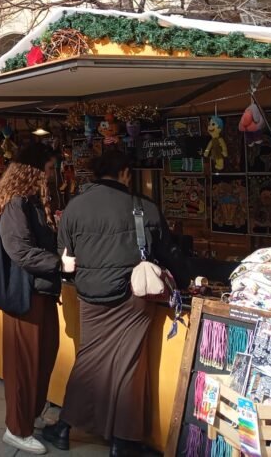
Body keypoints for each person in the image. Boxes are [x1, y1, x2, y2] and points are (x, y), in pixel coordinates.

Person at [45, 151, 190, 457]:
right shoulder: (143, 207)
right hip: (131, 299)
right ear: (124, 173)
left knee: (88, 363)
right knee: (128, 367)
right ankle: (122, 442)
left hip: (89, 297)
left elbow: (64, 254)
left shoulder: (74, 208)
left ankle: (63, 428)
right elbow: (168, 253)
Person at [0, 144, 63, 455]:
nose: (52, 175)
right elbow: (20, 251)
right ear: (35, 171)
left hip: (39, 291)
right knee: (23, 365)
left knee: (43, 356)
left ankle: (31, 414)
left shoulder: (29, 202)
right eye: (50, 169)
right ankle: (17, 428)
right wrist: (58, 263)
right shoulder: (17, 204)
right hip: (24, 293)